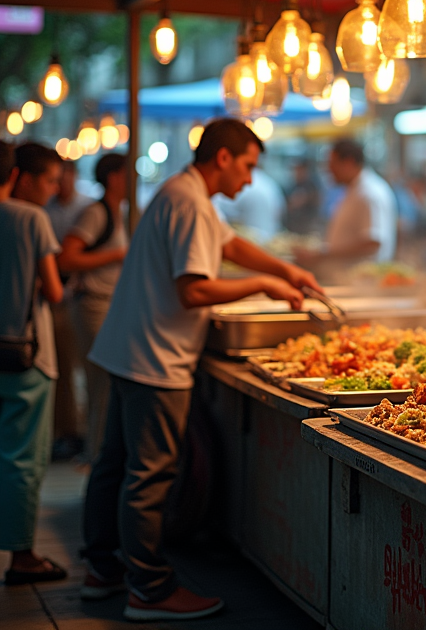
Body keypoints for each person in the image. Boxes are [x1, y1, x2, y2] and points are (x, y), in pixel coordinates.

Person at [81, 119, 320, 620]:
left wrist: (285, 270)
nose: (251, 180)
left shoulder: (184, 194)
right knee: (148, 475)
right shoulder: (189, 202)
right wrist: (263, 285)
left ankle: (102, 569)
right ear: (224, 158)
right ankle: (149, 589)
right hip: (155, 359)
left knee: (113, 466)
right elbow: (194, 290)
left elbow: (230, 245)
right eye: (249, 167)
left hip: (128, 350)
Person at [0, 140, 67, 584]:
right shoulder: (30, 218)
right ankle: (21, 558)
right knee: (22, 460)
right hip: (25, 359)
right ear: (14, 176)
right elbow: (54, 291)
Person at [56, 153, 128, 462]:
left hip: (106, 308)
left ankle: (98, 456)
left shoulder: (116, 211)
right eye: (128, 174)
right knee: (101, 386)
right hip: (91, 307)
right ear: (113, 177)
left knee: (105, 386)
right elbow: (67, 258)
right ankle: (95, 459)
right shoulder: (96, 213)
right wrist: (117, 256)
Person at [44, 160, 92, 460]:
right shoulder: (42, 210)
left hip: (77, 296)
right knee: (60, 369)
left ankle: (80, 431)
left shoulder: (87, 207)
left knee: (81, 369)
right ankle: (66, 431)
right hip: (55, 297)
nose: (59, 183)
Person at [297, 139, 397, 277]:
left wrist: (324, 254)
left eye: (332, 164)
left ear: (349, 162)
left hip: (362, 283)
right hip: (349, 280)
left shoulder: (369, 192)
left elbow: (372, 243)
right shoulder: (355, 189)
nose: (329, 170)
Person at [284, 159, 322, 235]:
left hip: (306, 229)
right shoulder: (294, 185)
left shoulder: (311, 186)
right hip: (293, 228)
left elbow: (296, 202)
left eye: (299, 169)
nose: (296, 173)